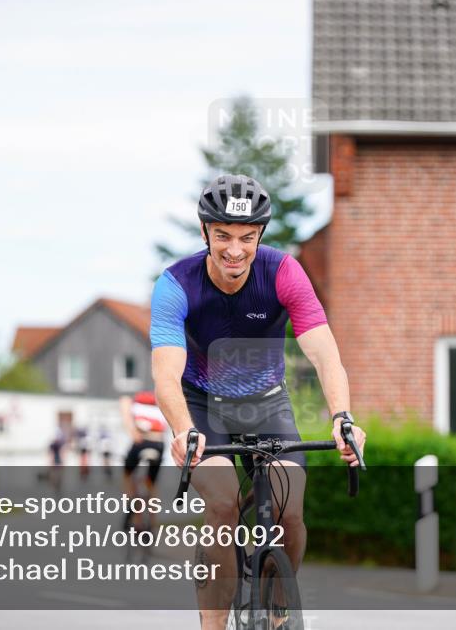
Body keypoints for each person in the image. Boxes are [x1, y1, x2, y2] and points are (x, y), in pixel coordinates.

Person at [150, 174, 366, 630]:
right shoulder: (176, 284)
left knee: (290, 512)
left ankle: (277, 604)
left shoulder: (283, 272)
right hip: (202, 406)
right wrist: (182, 428)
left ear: (260, 235)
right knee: (224, 504)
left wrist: (342, 417)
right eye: (223, 235)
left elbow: (325, 353)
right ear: (205, 230)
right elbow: (166, 372)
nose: (235, 249)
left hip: (267, 404)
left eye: (247, 237)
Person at [119, 391, 168, 524]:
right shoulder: (160, 405)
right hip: (158, 444)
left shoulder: (134, 404)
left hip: (140, 442)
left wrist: (133, 431)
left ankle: (131, 502)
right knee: (152, 483)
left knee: (128, 473)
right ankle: (152, 520)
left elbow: (126, 415)